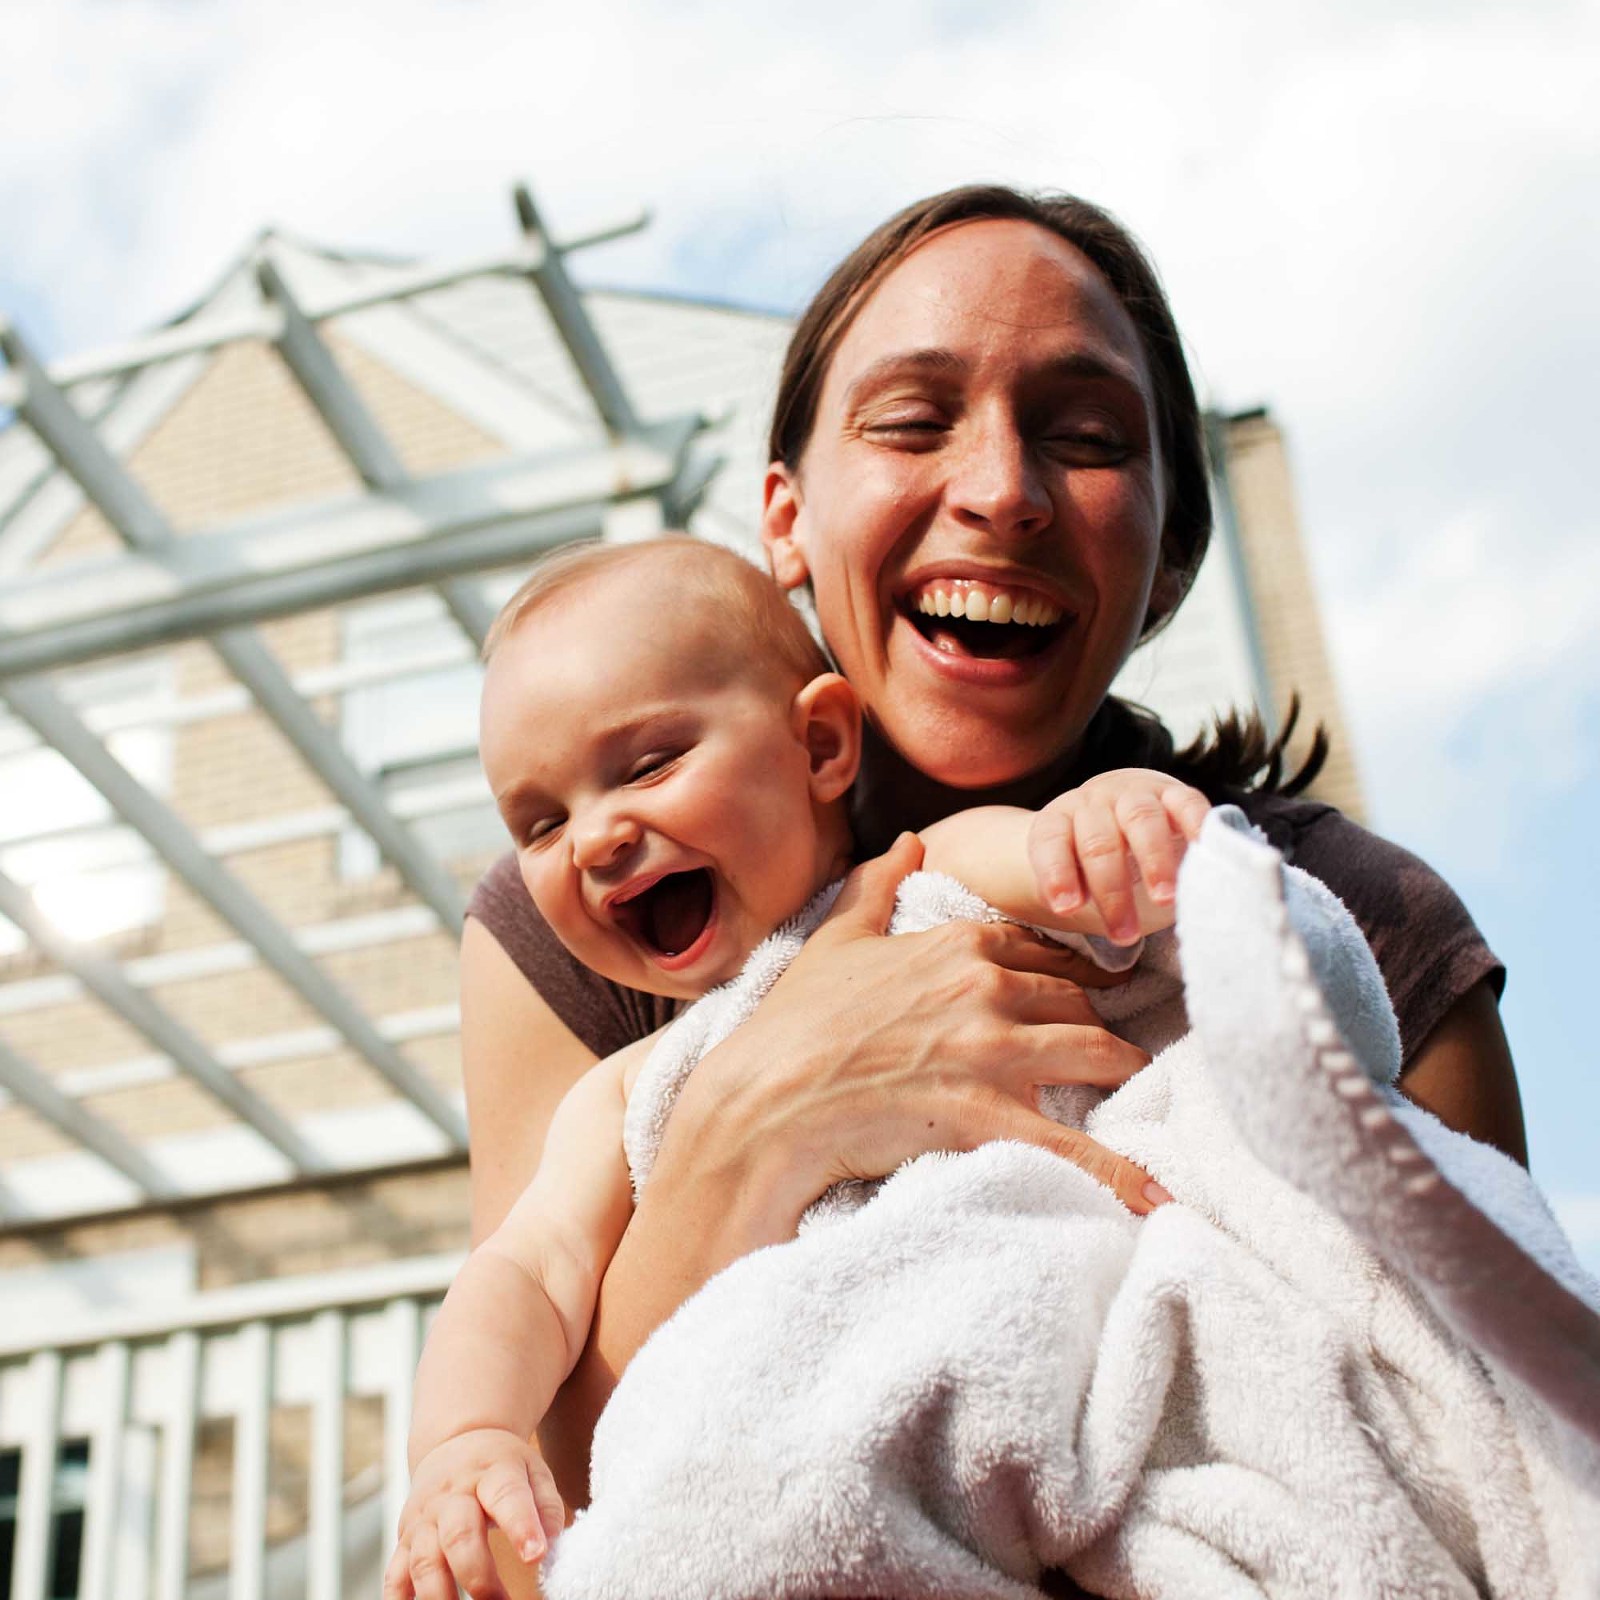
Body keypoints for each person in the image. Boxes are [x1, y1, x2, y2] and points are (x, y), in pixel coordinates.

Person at [454, 185, 1525, 1592]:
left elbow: (1492, 1437)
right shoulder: (587, 921)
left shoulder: (1334, 916)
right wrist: (759, 1120)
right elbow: (538, 1523)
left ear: (1169, 564)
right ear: (786, 520)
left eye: (1085, 439)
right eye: (911, 421)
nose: (1002, 491)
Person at [386, 536, 1209, 1599]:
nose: (593, 838)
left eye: (646, 765)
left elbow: (1071, 867)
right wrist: (464, 1435)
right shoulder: (629, 1087)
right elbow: (524, 1270)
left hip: (1043, 1380)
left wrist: (1122, 817)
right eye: (539, 821)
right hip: (791, 1505)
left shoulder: (928, 876)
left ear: (820, 743)